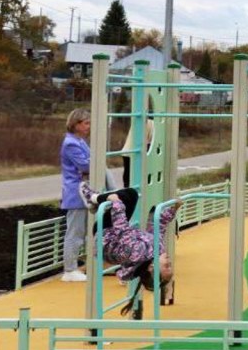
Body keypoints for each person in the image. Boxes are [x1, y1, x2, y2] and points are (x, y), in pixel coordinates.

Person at [79, 184, 181, 315]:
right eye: (170, 266)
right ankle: (96, 202)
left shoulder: (135, 253)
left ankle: (92, 198)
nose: (169, 263)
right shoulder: (158, 250)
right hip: (118, 233)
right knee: (131, 195)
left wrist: (116, 203)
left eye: (166, 266)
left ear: (152, 268)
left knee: (123, 198)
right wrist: (173, 210)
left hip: (105, 232)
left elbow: (122, 229)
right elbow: (158, 226)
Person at [61, 109, 92, 282]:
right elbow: (86, 165)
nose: (88, 126)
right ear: (76, 124)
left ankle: (82, 265)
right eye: (86, 123)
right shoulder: (71, 143)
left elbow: (90, 162)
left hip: (83, 191)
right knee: (75, 233)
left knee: (84, 232)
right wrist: (92, 164)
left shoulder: (80, 141)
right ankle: (70, 270)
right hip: (76, 193)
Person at [121, 116, 154, 189]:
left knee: (128, 174)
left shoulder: (137, 122)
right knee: (139, 174)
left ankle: (127, 189)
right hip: (136, 152)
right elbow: (152, 140)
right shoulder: (152, 123)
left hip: (127, 150)